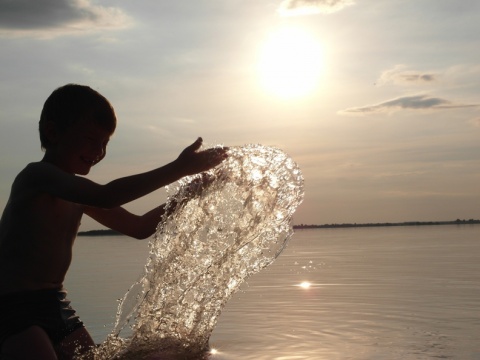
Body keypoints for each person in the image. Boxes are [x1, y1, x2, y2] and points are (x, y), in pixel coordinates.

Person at [0, 84, 228, 359]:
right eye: (90, 139)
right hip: (14, 307)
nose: (99, 151)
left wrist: (188, 193)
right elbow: (107, 195)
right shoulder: (36, 177)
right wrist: (180, 168)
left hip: (56, 306)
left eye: (105, 142)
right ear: (53, 132)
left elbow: (139, 227)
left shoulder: (78, 194)